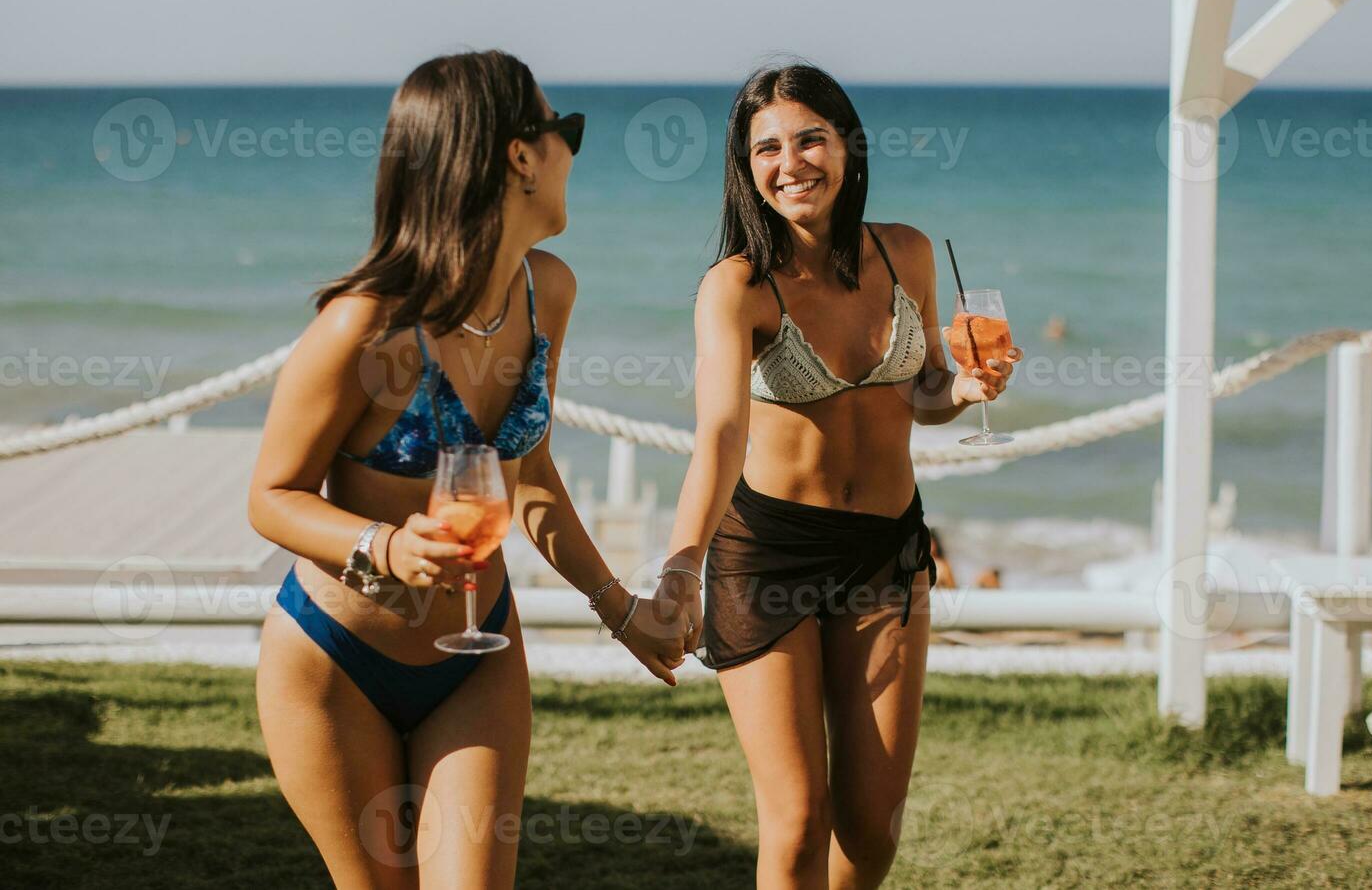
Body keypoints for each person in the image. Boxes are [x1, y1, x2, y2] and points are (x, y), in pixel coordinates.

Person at [247, 50, 685, 890]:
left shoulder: (545, 292)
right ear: (521, 154)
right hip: (335, 661)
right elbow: (271, 496)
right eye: (569, 133)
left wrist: (618, 606)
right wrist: (384, 545)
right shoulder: (365, 327)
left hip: (477, 657)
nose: (572, 155)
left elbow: (531, 475)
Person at [654, 64, 1022, 888]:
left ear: (848, 147)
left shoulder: (910, 252)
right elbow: (718, 434)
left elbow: (922, 393)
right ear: (746, 167)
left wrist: (964, 385)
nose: (793, 163)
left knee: (872, 827)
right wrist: (682, 561)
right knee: (796, 823)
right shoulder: (736, 287)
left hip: (884, 554)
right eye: (768, 148)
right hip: (769, 557)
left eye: (810, 138)